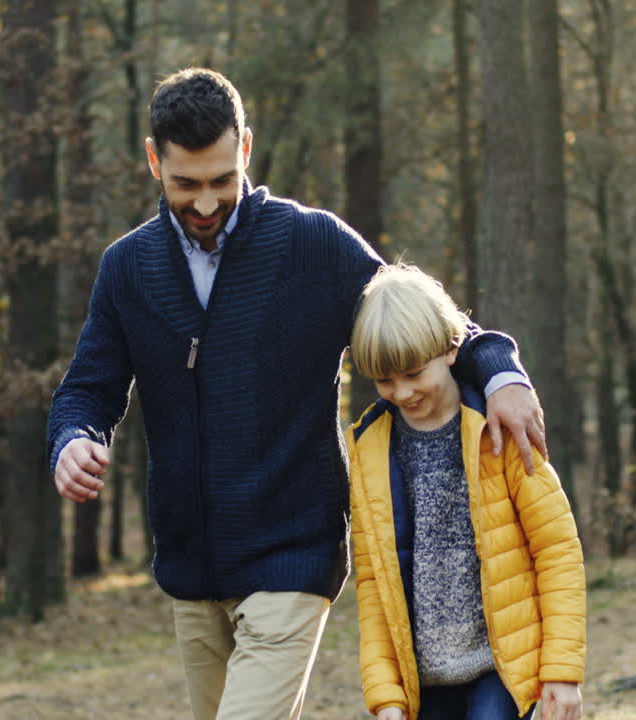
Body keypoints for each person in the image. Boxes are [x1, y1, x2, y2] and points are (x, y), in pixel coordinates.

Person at [47, 67, 547, 720]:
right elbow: (88, 389)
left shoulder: (312, 245)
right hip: (191, 572)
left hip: (292, 556)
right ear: (153, 161)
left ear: (246, 151)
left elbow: (432, 327)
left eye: (222, 182)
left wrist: (503, 374)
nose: (204, 205)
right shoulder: (127, 268)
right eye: (185, 185)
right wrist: (73, 439)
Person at [345, 264, 585, 720]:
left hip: (502, 671)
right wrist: (386, 696)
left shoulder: (503, 429)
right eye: (384, 380)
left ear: (453, 347)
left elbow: (556, 551)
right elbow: (374, 583)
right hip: (424, 683)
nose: (402, 392)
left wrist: (562, 671)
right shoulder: (368, 448)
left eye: (415, 373)